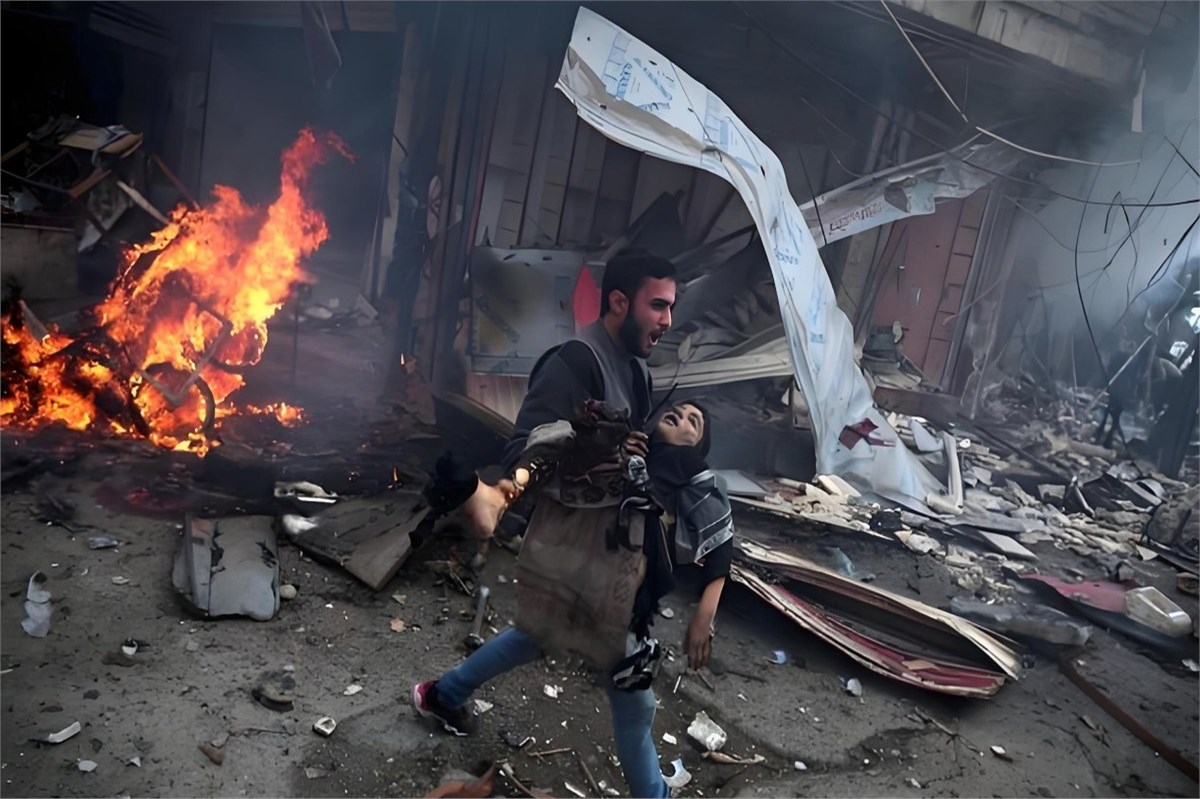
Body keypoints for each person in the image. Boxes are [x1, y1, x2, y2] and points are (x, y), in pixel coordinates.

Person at [413, 250, 698, 798]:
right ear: (620, 302)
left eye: (670, 306)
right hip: (575, 555)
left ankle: (441, 695)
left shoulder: (637, 370)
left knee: (534, 636)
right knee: (634, 692)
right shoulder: (573, 362)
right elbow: (525, 448)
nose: (668, 320)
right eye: (658, 306)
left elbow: (626, 457)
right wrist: (588, 459)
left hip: (609, 556)